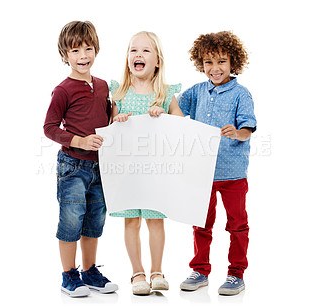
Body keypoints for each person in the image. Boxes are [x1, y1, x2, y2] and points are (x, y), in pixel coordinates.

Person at [178, 31, 257, 296]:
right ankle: (200, 271)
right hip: (202, 172)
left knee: (237, 224)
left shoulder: (241, 94)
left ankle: (236, 274)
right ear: (201, 64)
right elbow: (174, 109)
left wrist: (237, 133)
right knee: (201, 223)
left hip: (233, 173)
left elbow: (248, 128)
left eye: (222, 61)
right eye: (209, 62)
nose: (215, 68)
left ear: (233, 63)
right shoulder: (197, 91)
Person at [43, 20, 118, 297]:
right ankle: (68, 275)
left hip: (101, 166)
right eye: (75, 51)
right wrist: (79, 141)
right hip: (73, 166)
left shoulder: (102, 86)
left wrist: (117, 118)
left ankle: (89, 271)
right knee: (71, 220)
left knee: (95, 220)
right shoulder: (63, 90)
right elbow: (49, 127)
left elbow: (108, 119)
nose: (83, 56)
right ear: (65, 55)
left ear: (96, 50)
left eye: (88, 49)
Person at [110, 31, 184, 295]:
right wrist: (117, 121)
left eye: (145, 50)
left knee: (155, 220)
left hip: (155, 171)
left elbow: (182, 126)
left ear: (157, 61)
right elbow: (109, 129)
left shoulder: (165, 94)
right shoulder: (118, 93)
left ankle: (157, 271)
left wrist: (163, 114)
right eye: (133, 50)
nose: (138, 55)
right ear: (128, 58)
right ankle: (137, 272)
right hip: (128, 171)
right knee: (131, 220)